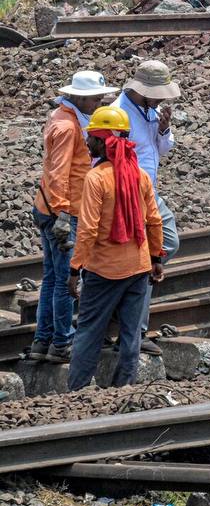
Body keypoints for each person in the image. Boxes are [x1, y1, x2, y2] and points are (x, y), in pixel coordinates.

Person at [66, 106, 165, 390]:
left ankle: (78, 390)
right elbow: (153, 221)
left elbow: (87, 230)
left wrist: (75, 269)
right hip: (138, 267)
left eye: (92, 138)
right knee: (131, 335)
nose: (87, 143)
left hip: (103, 270)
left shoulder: (96, 178)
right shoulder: (141, 176)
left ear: (103, 141)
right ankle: (124, 389)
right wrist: (157, 258)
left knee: (89, 332)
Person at [27, 69, 116, 366]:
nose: (100, 101)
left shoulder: (63, 117)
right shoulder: (67, 127)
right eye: (95, 98)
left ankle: (44, 339)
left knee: (52, 278)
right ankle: (62, 342)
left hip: (48, 208)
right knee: (66, 279)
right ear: (80, 97)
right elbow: (58, 172)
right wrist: (63, 212)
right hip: (62, 212)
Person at [113, 59, 181, 262]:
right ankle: (139, 280)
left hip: (148, 191)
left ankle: (143, 275)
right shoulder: (119, 114)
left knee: (168, 243)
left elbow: (162, 149)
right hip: (127, 193)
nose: (161, 100)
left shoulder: (152, 110)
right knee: (143, 249)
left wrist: (163, 129)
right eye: (158, 95)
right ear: (143, 91)